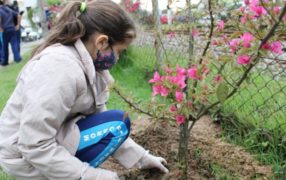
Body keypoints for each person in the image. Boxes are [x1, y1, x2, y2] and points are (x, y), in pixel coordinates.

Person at [0, 1, 168, 180]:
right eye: (119, 51)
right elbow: (34, 143)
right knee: (117, 122)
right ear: (102, 42)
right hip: (23, 156)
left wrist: (142, 158)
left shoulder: (92, 68)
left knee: (116, 124)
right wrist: (92, 176)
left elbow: (101, 122)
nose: (117, 58)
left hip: (45, 140)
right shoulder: (60, 69)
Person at [0, 0, 21, 66]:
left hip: (5, 29)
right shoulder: (8, 9)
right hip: (12, 28)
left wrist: (0, 28)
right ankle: (17, 58)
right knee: (14, 44)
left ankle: (5, 61)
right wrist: (18, 25)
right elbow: (18, 15)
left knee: (5, 46)